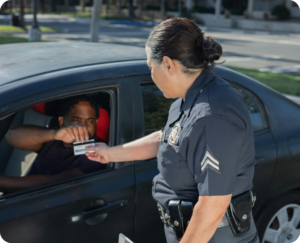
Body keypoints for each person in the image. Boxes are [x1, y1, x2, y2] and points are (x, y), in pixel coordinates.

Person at [86, 18, 259, 243]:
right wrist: (110, 153)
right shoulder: (189, 96)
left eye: (151, 67)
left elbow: (213, 205)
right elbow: (169, 139)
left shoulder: (212, 116)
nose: (151, 74)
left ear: (168, 64)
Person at [2, 95, 105, 194]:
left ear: (96, 122)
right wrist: (54, 134)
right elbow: (11, 136)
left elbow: (52, 183)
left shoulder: (99, 152)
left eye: (89, 121)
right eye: (76, 120)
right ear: (61, 121)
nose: (83, 126)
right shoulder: (56, 136)